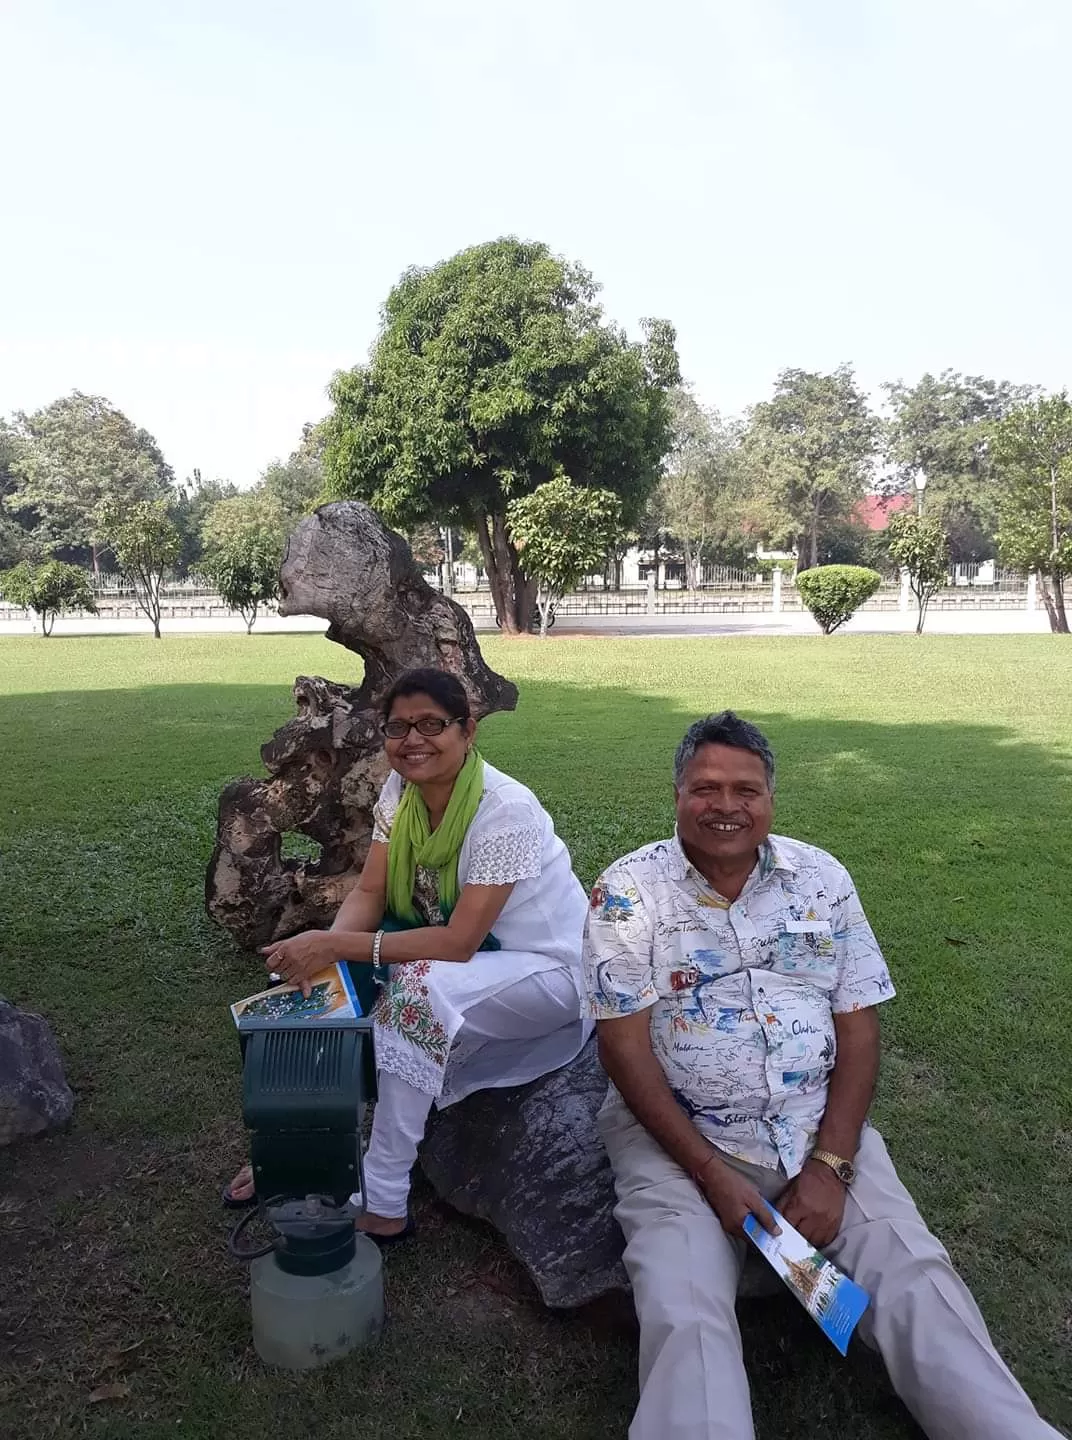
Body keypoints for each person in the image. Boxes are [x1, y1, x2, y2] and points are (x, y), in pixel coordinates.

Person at [583, 711, 1063, 1440]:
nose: (725, 807)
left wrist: (833, 1165)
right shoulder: (628, 892)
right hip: (679, 1140)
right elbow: (622, 1050)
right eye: (705, 788)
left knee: (917, 1281)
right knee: (685, 1313)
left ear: (771, 798)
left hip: (815, 1128)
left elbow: (858, 1025)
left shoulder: (822, 879)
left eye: (746, 789)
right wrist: (712, 1175)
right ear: (676, 794)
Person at [225, 667, 591, 1239]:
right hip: (471, 966)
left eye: (430, 724)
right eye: (399, 727)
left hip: (550, 976)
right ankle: (304, 1150)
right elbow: (370, 892)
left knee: (414, 987)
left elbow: (456, 941)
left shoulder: (505, 810)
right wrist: (330, 965)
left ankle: (384, 1195)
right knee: (343, 994)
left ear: (468, 731)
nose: (413, 740)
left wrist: (334, 943)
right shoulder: (402, 792)